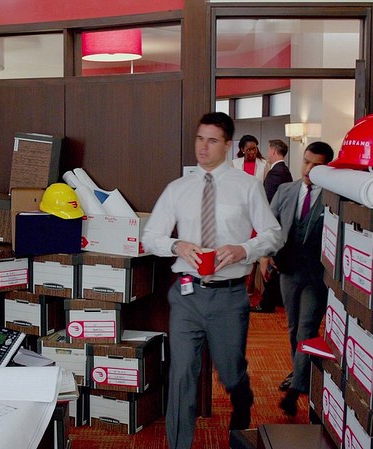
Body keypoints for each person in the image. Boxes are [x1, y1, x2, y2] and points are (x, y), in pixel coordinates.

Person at [142, 112, 282, 449]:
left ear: (228, 145)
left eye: (212, 141)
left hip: (229, 296)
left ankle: (242, 397)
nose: (203, 147)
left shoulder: (247, 186)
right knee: (181, 374)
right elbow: (150, 237)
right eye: (200, 139)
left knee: (230, 371)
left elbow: (274, 234)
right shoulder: (178, 189)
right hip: (187, 294)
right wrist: (176, 245)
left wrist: (244, 249)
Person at [259, 141, 334, 416]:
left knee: (306, 329)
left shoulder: (335, 198)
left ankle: (297, 388)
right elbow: (270, 225)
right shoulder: (286, 190)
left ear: (327, 168)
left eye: (317, 165)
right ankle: (300, 372)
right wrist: (265, 255)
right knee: (293, 328)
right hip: (288, 269)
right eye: (306, 162)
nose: (309, 169)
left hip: (317, 275)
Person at [254, 139, 294, 313]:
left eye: (268, 149)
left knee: (271, 264)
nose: (267, 153)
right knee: (276, 264)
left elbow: (269, 203)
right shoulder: (285, 171)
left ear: (273, 151)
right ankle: (274, 299)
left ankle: (267, 302)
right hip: (283, 225)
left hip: (275, 225)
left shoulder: (275, 173)